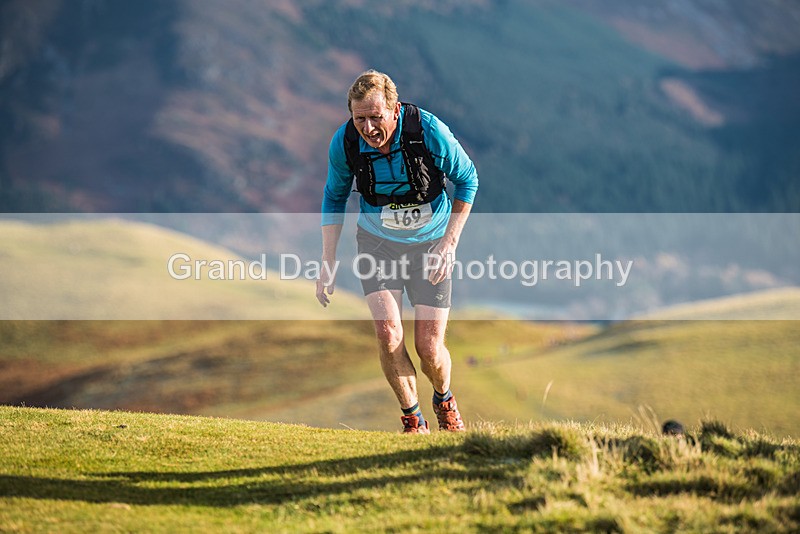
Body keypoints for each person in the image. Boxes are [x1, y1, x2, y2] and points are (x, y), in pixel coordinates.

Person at [316, 70, 478, 434]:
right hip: (377, 244)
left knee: (429, 349)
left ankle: (444, 399)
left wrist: (449, 244)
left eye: (376, 117)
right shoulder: (345, 143)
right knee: (389, 334)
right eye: (360, 119)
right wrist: (327, 261)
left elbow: (468, 179)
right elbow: (333, 196)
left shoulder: (428, 131)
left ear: (395, 109)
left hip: (431, 247)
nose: (369, 128)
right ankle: (412, 419)